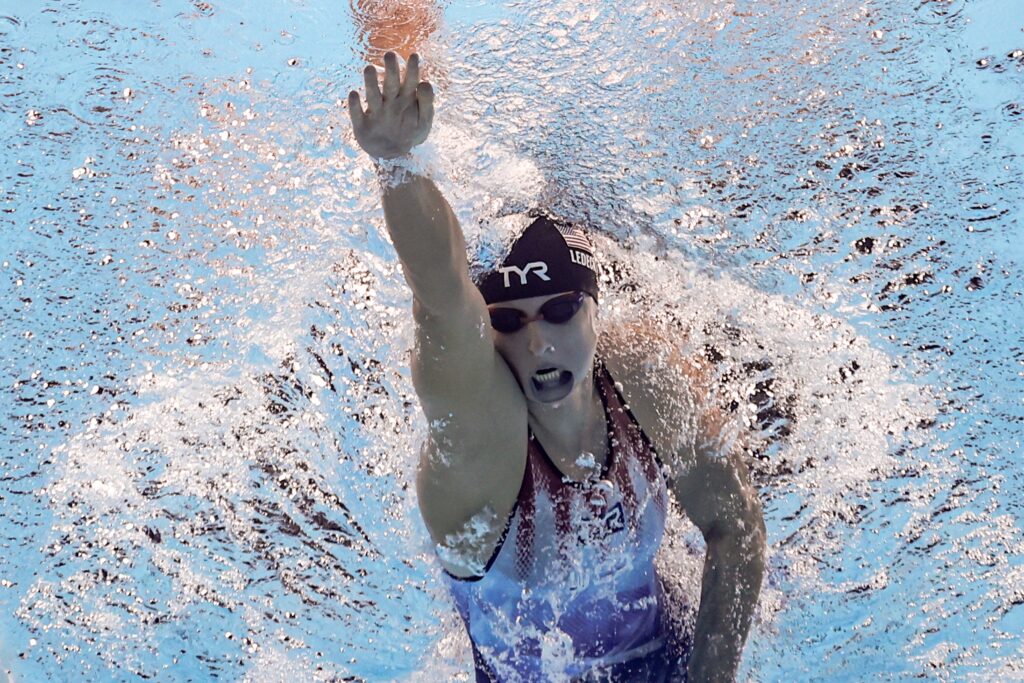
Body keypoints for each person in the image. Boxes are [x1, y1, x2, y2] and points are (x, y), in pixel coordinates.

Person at [347, 52, 765, 682]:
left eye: (563, 309)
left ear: (597, 309)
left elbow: (735, 526)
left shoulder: (642, 370)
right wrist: (397, 166)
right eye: (509, 322)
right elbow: (444, 306)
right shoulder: (482, 452)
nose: (541, 342)